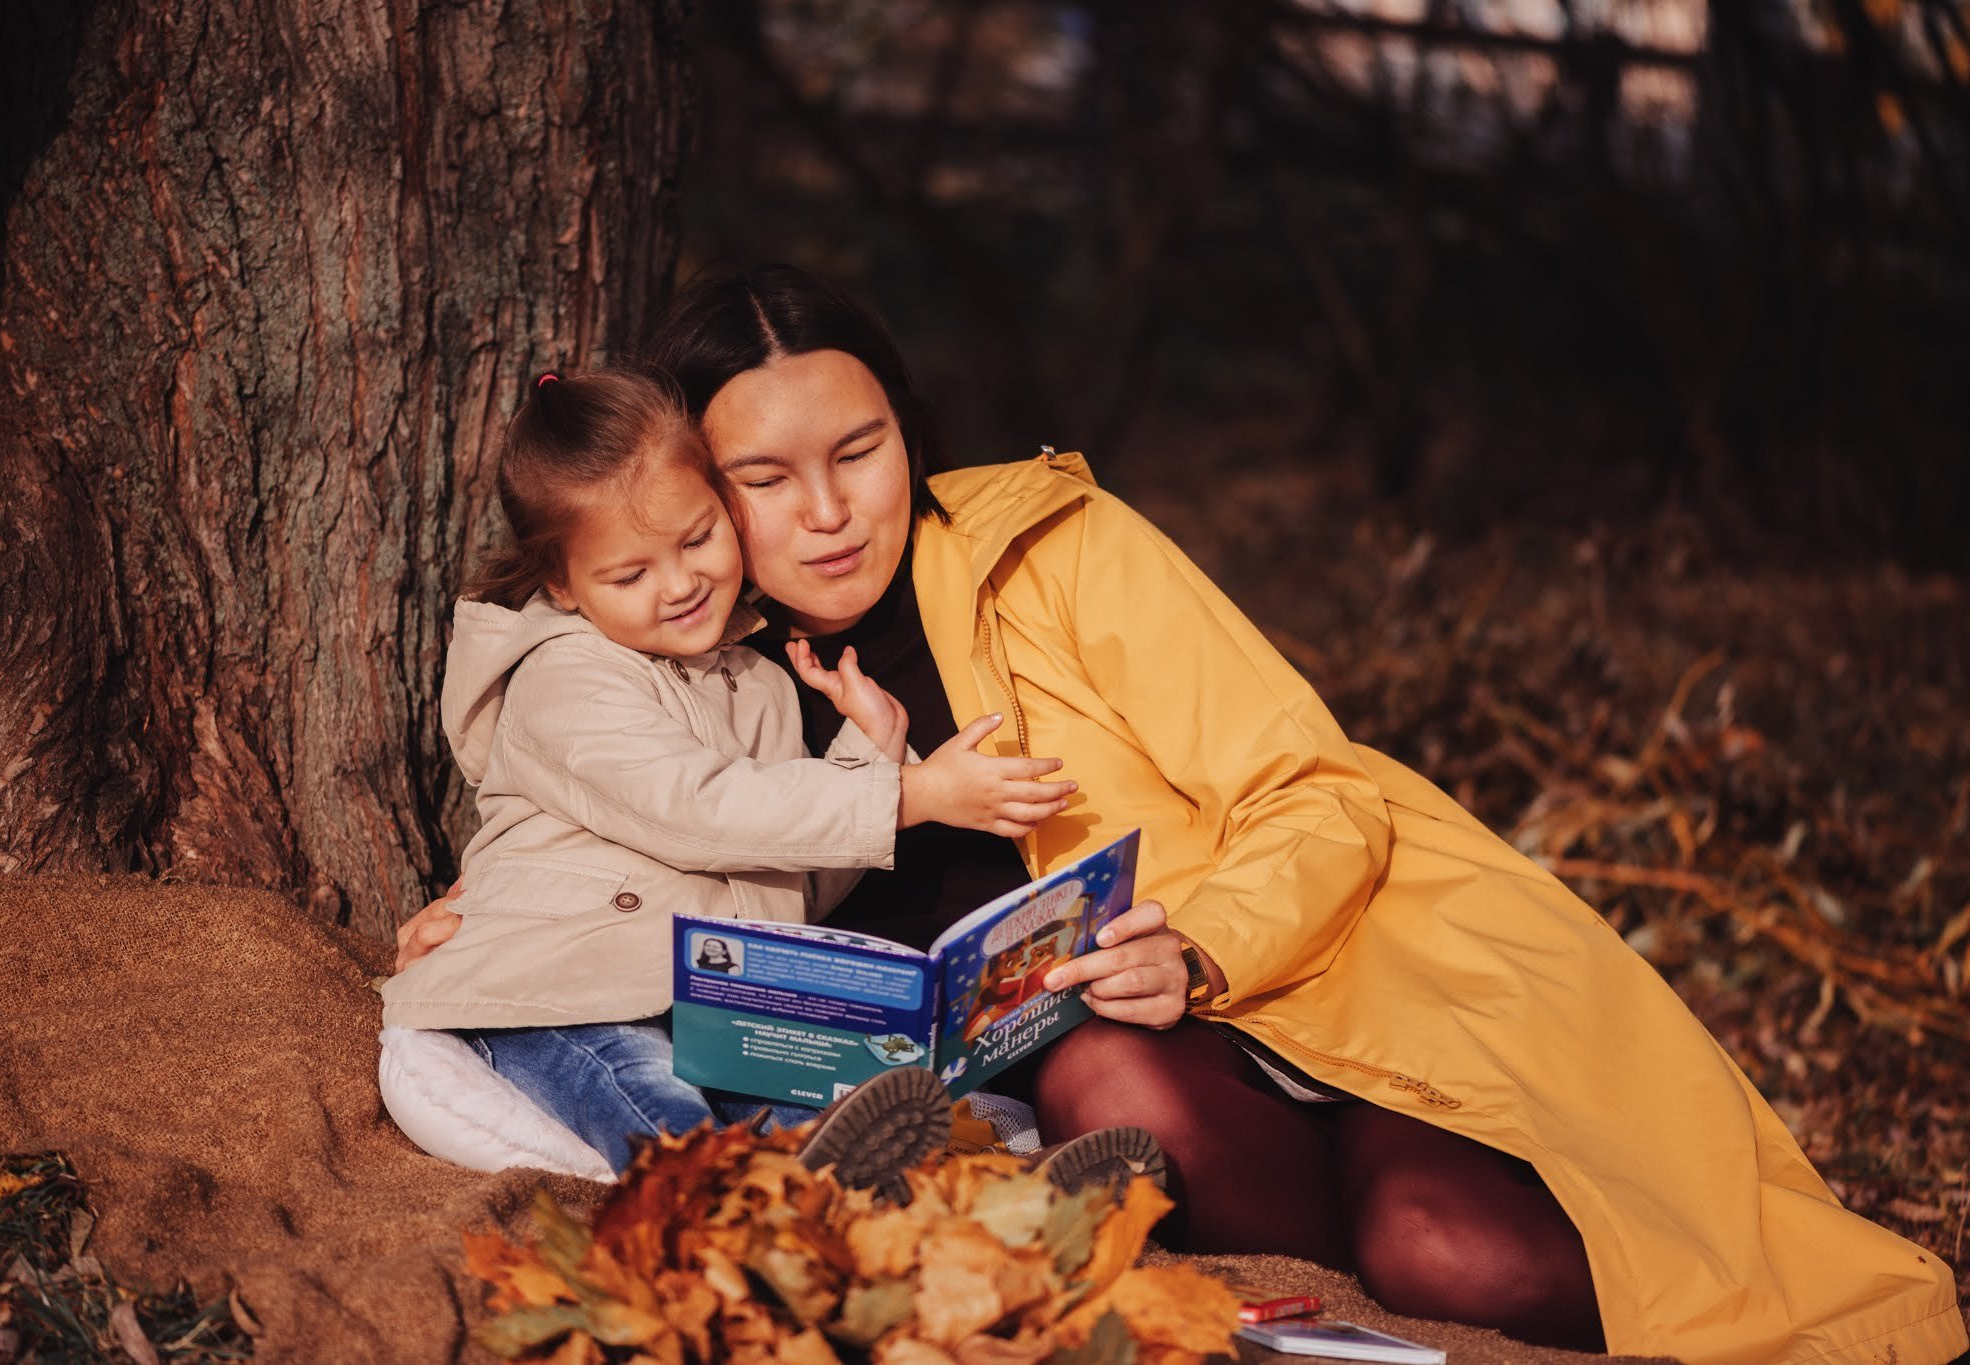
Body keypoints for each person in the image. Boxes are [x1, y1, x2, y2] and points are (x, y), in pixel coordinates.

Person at [397, 268, 1966, 1364]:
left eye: (861, 453)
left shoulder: (1053, 552)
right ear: (691, 486)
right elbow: (604, 792)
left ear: (910, 437)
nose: (824, 512)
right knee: (1117, 1090)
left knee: (1447, 1245)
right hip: (1103, 1091)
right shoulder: (695, 658)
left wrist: (1201, 949)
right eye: (764, 475)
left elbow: (1320, 790)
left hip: (1310, 1004)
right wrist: (496, 912)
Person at [378, 365, 1087, 1189]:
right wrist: (909, 795)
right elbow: (695, 807)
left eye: (696, 539)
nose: (679, 584)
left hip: (710, 1005)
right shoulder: (564, 677)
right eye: (630, 574)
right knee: (654, 1104)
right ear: (563, 585)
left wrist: (870, 745)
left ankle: (996, 1193)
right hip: (557, 997)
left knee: (839, 1116)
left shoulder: (754, 682)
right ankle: (733, 1216)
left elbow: (791, 880)